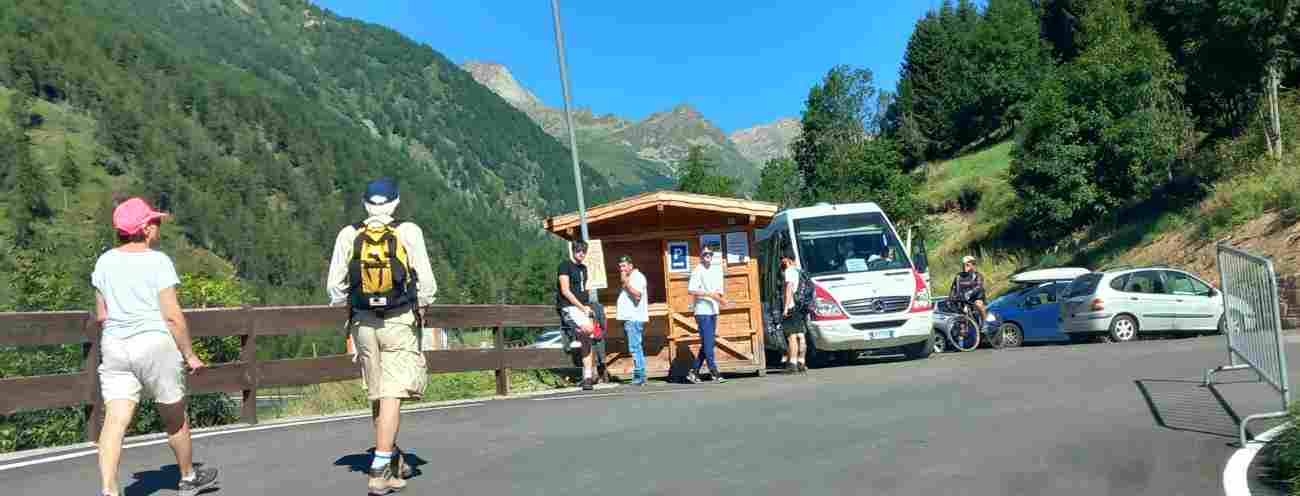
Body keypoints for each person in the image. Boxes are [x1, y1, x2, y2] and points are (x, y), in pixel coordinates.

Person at [92, 197, 218, 496]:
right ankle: (187, 478)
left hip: (115, 346)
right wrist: (189, 354)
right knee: (174, 415)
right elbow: (173, 316)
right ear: (145, 228)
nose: (158, 226)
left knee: (114, 421)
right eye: (155, 222)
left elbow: (101, 315)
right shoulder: (157, 261)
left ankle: (109, 490)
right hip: (153, 344)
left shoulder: (104, 261)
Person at [327, 178, 437, 495]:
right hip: (398, 320)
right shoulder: (408, 232)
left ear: (365, 204)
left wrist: (355, 304)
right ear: (396, 202)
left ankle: (391, 457)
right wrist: (422, 306)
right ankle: (380, 470)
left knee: (377, 393)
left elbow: (334, 289)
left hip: (362, 323)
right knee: (391, 394)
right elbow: (427, 283)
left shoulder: (349, 234)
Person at [557, 240, 598, 391]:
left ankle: (587, 378)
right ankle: (574, 332)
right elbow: (565, 291)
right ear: (573, 251)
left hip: (581, 307)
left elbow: (582, 290)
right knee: (588, 329)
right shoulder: (564, 266)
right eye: (579, 250)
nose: (581, 253)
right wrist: (581, 307)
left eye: (584, 251)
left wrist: (586, 306)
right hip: (569, 306)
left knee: (587, 339)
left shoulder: (584, 268)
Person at [687, 244, 729, 384]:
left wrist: (720, 298)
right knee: (708, 342)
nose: (708, 256)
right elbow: (692, 290)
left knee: (708, 343)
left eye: (710, 254)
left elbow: (719, 291)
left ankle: (694, 371)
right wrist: (710, 294)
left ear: (712, 255)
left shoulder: (716, 270)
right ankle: (713, 370)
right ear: (701, 256)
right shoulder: (697, 270)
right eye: (705, 254)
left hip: (713, 310)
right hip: (702, 310)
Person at [616, 255, 649, 386]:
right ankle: (639, 375)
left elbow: (637, 295)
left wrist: (625, 282)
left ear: (630, 265)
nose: (621, 269)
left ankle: (639, 376)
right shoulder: (631, 278)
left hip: (634, 318)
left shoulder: (637, 277)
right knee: (635, 347)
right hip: (629, 318)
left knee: (635, 347)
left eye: (624, 266)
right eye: (620, 267)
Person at [781, 247, 808, 374]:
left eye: (782, 259)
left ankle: (792, 363)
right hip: (801, 306)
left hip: (792, 306)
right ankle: (802, 361)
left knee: (792, 336)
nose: (782, 261)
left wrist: (785, 308)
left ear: (786, 259)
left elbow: (789, 290)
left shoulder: (789, 271)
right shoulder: (800, 271)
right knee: (801, 335)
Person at [950, 255, 988, 324]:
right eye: (963, 265)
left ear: (972, 265)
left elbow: (979, 287)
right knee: (958, 315)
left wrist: (969, 293)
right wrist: (951, 297)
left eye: (967, 265)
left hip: (975, 299)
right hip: (963, 300)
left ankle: (985, 323)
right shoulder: (958, 276)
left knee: (979, 304)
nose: (964, 267)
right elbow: (953, 288)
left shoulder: (977, 275)